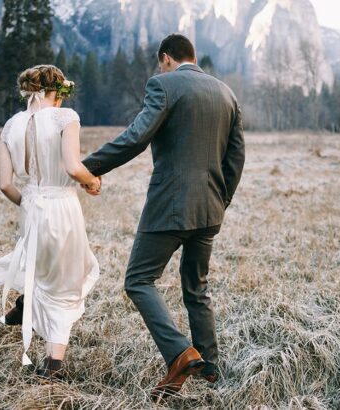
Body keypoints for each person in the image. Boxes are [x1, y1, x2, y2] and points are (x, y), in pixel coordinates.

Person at [81, 33, 245, 402]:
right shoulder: (226, 93)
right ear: (194, 57)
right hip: (210, 209)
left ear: (166, 58)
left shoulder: (164, 85)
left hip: (170, 206)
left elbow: (137, 137)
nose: (160, 69)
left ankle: (180, 354)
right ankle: (210, 366)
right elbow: (236, 158)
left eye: (161, 63)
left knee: (138, 279)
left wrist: (87, 166)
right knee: (196, 286)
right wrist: (222, 199)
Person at [0, 64, 101, 381]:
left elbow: (5, 184)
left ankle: (28, 304)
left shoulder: (11, 126)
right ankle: (53, 362)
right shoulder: (66, 118)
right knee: (65, 282)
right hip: (62, 206)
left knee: (42, 271)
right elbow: (73, 167)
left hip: (31, 207)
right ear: (56, 92)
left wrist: (29, 204)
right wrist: (92, 181)